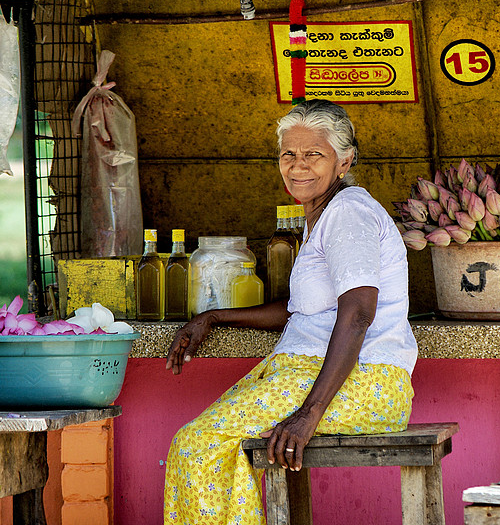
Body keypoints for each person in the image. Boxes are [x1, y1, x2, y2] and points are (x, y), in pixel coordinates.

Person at [163, 99, 418, 524]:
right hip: (321, 377)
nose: (298, 166)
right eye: (288, 154)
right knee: (203, 443)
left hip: (365, 384)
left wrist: (309, 414)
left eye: (313, 154)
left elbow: (358, 312)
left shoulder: (349, 213)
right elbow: (302, 310)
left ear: (344, 161)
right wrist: (214, 316)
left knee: (200, 443)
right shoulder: (322, 214)